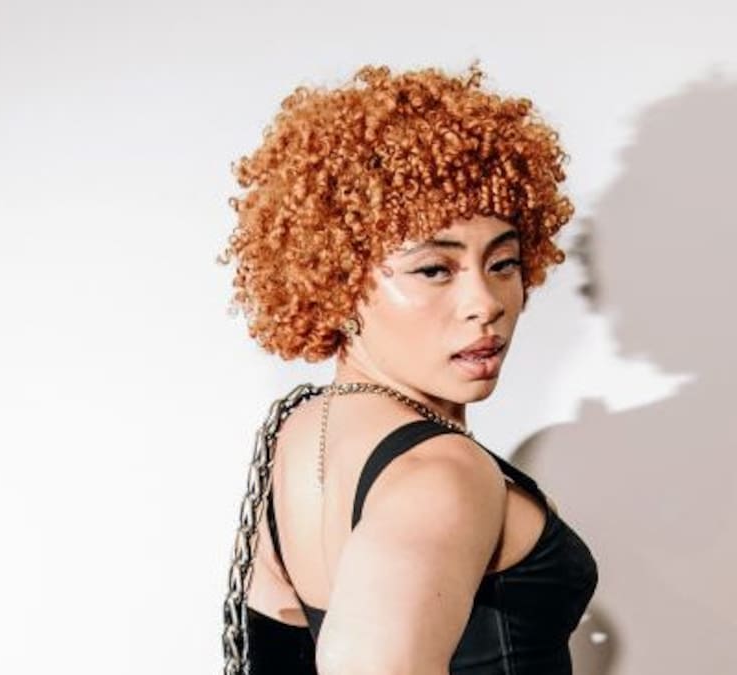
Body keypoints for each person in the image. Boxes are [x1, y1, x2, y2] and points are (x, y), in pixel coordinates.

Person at [216, 63, 599, 675]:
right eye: (434, 270)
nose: (485, 303)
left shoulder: (299, 430)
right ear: (336, 280)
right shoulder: (443, 474)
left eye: (503, 263)